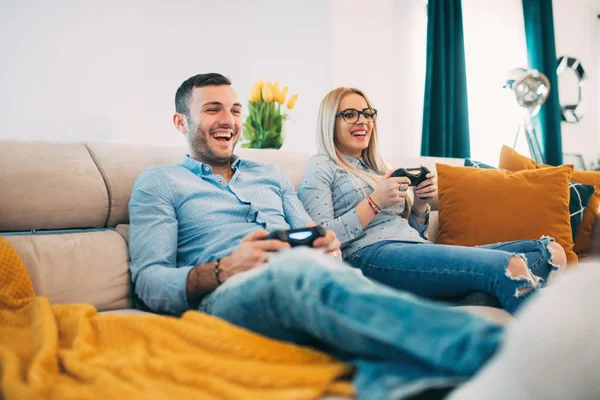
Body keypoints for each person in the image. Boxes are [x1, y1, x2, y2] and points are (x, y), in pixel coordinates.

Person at [128, 73, 508, 399]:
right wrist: (223, 269)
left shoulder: (270, 175)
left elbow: (316, 233)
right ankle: (502, 355)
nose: (228, 119)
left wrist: (325, 244)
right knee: (300, 275)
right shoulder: (158, 183)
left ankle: (403, 385)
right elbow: (149, 281)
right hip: (227, 293)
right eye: (212, 109)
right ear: (180, 122)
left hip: (306, 273)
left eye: (235, 109)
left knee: (323, 276)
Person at [297, 87, 567, 315]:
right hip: (368, 256)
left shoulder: (379, 168)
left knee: (551, 252)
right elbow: (320, 240)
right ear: (329, 122)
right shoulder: (322, 165)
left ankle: (469, 298)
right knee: (509, 266)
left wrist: (421, 204)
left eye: (368, 114)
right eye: (350, 114)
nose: (363, 121)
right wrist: (374, 202)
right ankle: (552, 360)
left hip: (410, 250)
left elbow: (413, 236)